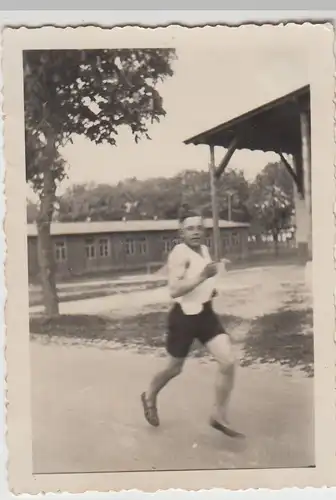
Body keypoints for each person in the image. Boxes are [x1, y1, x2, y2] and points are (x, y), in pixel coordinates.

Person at [141, 206, 243, 438]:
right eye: (190, 228)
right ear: (181, 232)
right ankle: (149, 395)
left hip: (205, 314)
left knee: (227, 361)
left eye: (199, 227)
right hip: (184, 319)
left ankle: (218, 415)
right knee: (173, 368)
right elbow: (175, 290)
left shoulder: (204, 249)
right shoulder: (179, 254)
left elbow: (202, 278)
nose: (195, 232)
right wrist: (203, 277)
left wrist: (210, 286)